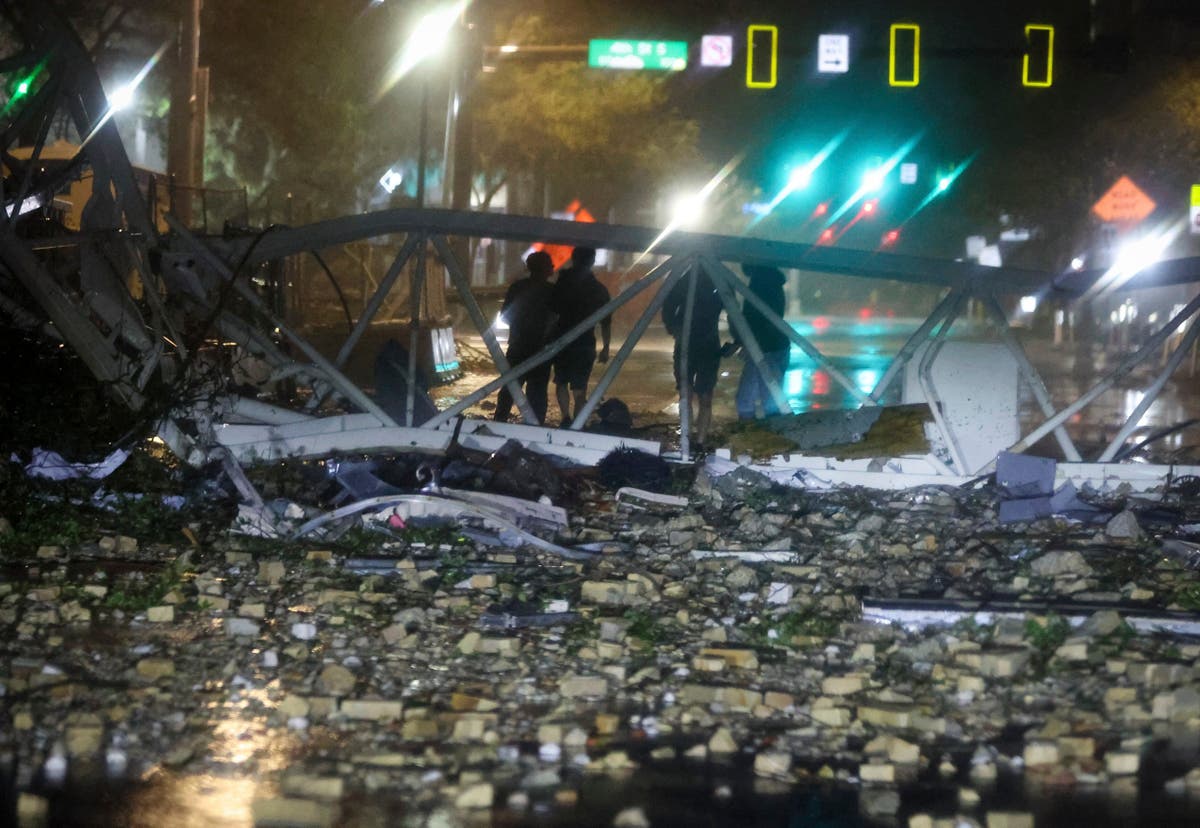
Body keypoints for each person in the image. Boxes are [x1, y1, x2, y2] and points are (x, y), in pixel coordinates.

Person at [662, 267, 724, 447]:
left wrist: (674, 328)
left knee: (696, 394)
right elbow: (669, 306)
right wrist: (674, 328)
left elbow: (668, 306)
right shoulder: (694, 280)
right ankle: (691, 439)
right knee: (692, 394)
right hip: (696, 343)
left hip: (703, 343)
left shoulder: (696, 280)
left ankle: (695, 441)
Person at [548, 246, 611, 424]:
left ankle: (565, 417)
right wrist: (605, 347)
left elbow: (552, 313)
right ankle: (577, 422)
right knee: (579, 386)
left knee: (561, 381)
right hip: (585, 343)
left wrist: (547, 338)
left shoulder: (562, 284)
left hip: (562, 340)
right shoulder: (598, 289)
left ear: (573, 259)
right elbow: (606, 321)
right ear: (591, 262)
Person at [494, 251, 555, 423]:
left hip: (517, 347)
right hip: (542, 350)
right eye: (550, 265)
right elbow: (558, 319)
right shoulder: (552, 291)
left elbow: (505, 316)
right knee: (537, 393)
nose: (553, 268)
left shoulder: (517, 288)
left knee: (509, 388)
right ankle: (534, 427)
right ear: (546, 269)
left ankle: (499, 421)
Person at [733, 264, 790, 419]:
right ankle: (770, 435)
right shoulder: (771, 282)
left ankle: (755, 436)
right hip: (772, 346)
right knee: (769, 399)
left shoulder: (760, 282)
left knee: (749, 401)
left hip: (765, 347)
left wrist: (744, 342)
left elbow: (755, 318)